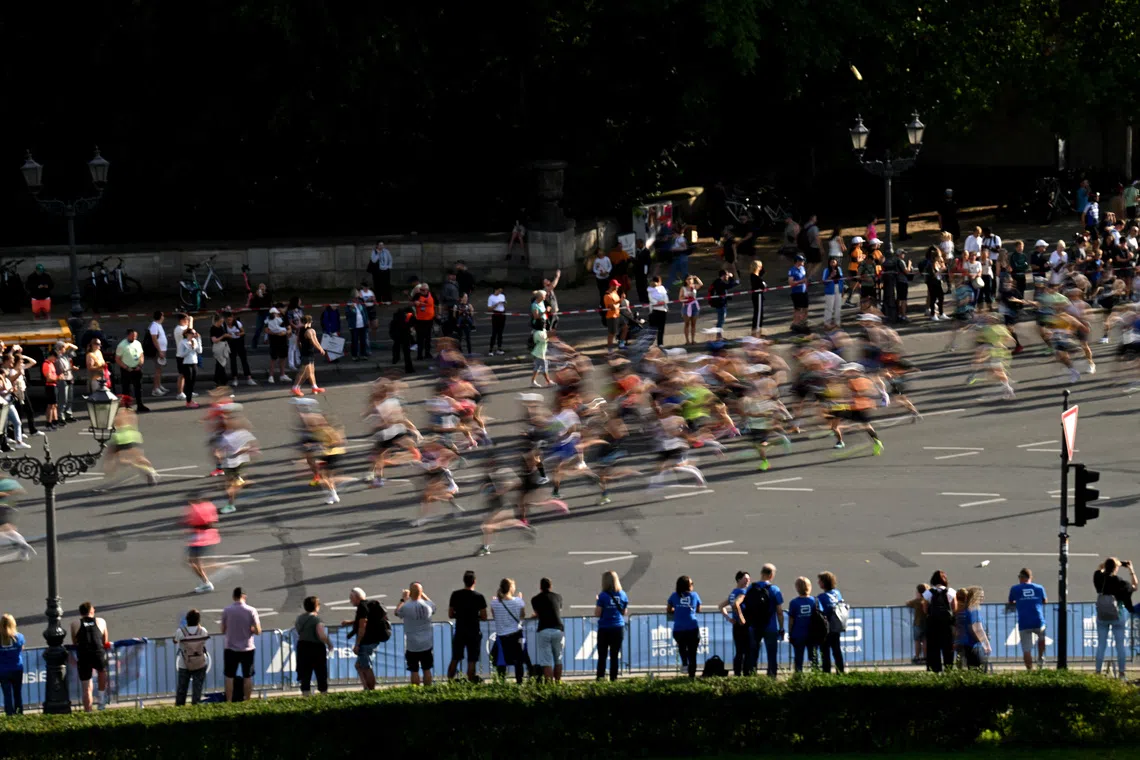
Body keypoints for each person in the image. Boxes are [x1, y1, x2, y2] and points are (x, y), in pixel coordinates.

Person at [1094, 557, 1137, 677]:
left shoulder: (1099, 578)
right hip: (1118, 614)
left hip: (1102, 615)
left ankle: (1097, 672)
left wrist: (1106, 564)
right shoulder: (1119, 581)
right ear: (1116, 568)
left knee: (1101, 644)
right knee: (1120, 645)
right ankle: (1122, 673)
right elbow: (1135, 586)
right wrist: (1130, 569)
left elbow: (1099, 569)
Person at [742, 563, 784, 678]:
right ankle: (771, 677)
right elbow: (779, 611)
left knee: (753, 653)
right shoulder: (774, 589)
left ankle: (751, 676)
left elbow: (746, 605)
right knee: (771, 654)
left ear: (761, 573)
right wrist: (781, 627)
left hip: (754, 626)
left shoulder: (751, 587)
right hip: (770, 626)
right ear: (771, 575)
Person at [342, 587, 388, 691]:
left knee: (366, 667)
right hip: (373, 640)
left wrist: (357, 644)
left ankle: (371, 691)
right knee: (359, 665)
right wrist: (350, 622)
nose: (350, 601)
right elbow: (364, 621)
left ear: (356, 597)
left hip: (366, 641)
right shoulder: (368, 605)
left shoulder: (362, 607)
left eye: (351, 598)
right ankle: (366, 688)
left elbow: (362, 626)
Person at [221, 587, 261, 702]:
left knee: (229, 676)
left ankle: (228, 701)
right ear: (244, 596)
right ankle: (247, 701)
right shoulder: (251, 610)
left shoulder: (227, 610)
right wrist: (251, 629)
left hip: (230, 648)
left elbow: (223, 630)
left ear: (234, 597)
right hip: (247, 648)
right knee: (247, 676)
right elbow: (258, 631)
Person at [447, 570, 488, 682]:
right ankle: (471, 681)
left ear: (464, 581)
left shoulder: (455, 595)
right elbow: (484, 616)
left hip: (460, 630)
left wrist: (459, 615)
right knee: (472, 660)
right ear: (474, 581)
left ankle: (449, 682)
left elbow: (450, 614)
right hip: (474, 631)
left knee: (455, 658)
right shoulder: (479, 597)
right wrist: (476, 616)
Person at [70, 601, 110, 712]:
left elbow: (74, 642)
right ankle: (101, 700)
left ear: (81, 612)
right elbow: (105, 640)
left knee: (86, 687)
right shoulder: (101, 621)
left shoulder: (75, 623)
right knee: (102, 672)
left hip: (84, 655)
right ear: (91, 611)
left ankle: (88, 712)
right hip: (98, 652)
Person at [395, 582, 436, 686]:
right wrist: (422, 594)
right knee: (427, 669)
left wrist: (403, 599)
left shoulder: (406, 606)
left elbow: (397, 612)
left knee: (414, 670)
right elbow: (433, 606)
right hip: (426, 643)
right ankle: (428, 690)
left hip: (412, 644)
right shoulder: (428, 605)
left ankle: (415, 691)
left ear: (410, 593)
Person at [1007, 568, 1047, 671]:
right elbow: (1044, 601)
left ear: (1021, 577)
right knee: (1042, 638)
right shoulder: (1039, 588)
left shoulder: (1015, 588)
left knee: (1026, 649)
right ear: (1030, 578)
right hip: (1038, 619)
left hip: (1024, 622)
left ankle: (1030, 672)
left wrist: (1021, 602)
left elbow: (1011, 601)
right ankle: (1040, 657)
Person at [489, 578, 527, 683]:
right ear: (510, 588)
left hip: (501, 636)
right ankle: (519, 681)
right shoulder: (519, 601)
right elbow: (522, 616)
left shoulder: (494, 603)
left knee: (501, 660)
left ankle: (502, 682)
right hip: (515, 635)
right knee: (518, 661)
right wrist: (520, 600)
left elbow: (494, 616)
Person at [294, 596, 333, 696]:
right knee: (320, 672)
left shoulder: (300, 618)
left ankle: (306, 693)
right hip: (316, 648)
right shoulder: (316, 619)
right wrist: (329, 644)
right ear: (316, 606)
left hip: (302, 646)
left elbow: (298, 630)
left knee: (305, 672)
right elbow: (321, 635)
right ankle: (323, 692)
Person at [594, 570, 628, 681]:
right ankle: (614, 678)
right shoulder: (623, 594)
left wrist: (597, 602)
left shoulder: (602, 596)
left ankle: (600, 678)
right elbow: (624, 612)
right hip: (618, 627)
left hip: (605, 628)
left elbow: (597, 613)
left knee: (602, 655)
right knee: (614, 655)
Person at [666, 575, 702, 678]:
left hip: (679, 629)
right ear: (688, 586)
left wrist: (677, 610)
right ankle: (692, 676)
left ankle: (685, 663)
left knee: (682, 646)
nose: (693, 585)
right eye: (691, 583)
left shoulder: (674, 596)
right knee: (692, 652)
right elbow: (699, 609)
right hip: (692, 627)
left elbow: (669, 609)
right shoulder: (694, 595)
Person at [173, 609, 210, 706]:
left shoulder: (181, 631)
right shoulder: (202, 630)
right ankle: (195, 708)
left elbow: (175, 641)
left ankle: (179, 709)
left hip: (184, 663)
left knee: (182, 689)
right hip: (200, 663)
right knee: (197, 690)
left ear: (187, 620)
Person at [531, 577, 564, 682]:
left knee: (546, 661)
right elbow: (558, 610)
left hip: (544, 629)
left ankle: (549, 686)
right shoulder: (558, 597)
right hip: (558, 629)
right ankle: (558, 682)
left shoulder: (535, 599)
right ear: (551, 586)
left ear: (540, 587)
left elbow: (537, 613)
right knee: (558, 659)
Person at [923, 570, 956, 673]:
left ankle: (935, 670)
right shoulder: (950, 592)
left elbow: (925, 608)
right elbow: (954, 608)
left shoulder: (928, 593)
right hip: (947, 625)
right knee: (948, 648)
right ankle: (949, 669)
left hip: (933, 625)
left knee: (933, 649)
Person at [719, 570, 751, 676]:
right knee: (746, 651)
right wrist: (742, 618)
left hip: (736, 625)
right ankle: (746, 673)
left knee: (739, 650)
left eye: (749, 579)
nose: (748, 581)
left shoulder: (733, 592)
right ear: (738, 579)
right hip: (743, 625)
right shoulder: (743, 592)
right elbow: (736, 604)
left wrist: (728, 618)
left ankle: (737, 673)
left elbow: (721, 606)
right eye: (745, 579)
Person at [185, 498, 219, 593]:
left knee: (192, 562)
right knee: (195, 562)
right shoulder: (208, 506)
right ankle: (205, 582)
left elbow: (197, 522)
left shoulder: (196, 509)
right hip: (205, 536)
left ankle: (206, 583)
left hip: (199, 538)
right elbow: (213, 520)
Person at [786, 576, 819, 673]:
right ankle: (817, 676)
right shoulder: (815, 601)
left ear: (797, 588)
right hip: (812, 634)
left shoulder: (794, 603)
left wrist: (790, 632)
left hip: (798, 634)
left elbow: (791, 620)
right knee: (813, 657)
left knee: (798, 658)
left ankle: (798, 677)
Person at [816, 571, 846, 673]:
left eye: (819, 580)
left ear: (824, 582)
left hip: (826, 629)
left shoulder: (821, 597)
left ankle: (826, 673)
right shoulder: (837, 593)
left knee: (825, 652)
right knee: (837, 651)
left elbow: (819, 612)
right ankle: (840, 672)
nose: (818, 582)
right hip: (836, 627)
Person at [115, 328, 150, 412]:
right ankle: (127, 406)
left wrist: (140, 364)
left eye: (135, 336)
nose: (134, 338)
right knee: (126, 388)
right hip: (127, 369)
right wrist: (126, 367)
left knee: (138, 387)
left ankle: (140, 404)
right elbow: (118, 359)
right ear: (128, 335)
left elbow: (141, 354)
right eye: (132, 336)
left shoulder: (137, 343)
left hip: (137, 368)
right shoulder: (122, 345)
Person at [291, 315, 326, 396]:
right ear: (310, 322)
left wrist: (301, 350)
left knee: (311, 372)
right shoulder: (310, 331)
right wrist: (320, 349)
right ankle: (295, 387)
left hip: (306, 352)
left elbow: (298, 342)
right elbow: (314, 341)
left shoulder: (301, 330)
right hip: (307, 353)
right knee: (303, 372)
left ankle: (314, 387)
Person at [958, 586, 991, 670]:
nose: (982, 599)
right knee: (979, 672)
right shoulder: (974, 610)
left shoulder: (965, 610)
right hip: (975, 646)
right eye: (981, 596)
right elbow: (978, 629)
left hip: (966, 646)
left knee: (972, 672)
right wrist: (986, 644)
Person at [0, 613, 24, 715]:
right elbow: (21, 649)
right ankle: (19, 713)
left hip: (3, 669)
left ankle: (9, 715)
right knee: (17, 693)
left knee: (7, 694)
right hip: (17, 668)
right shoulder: (19, 637)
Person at [178, 327, 203, 409]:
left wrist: (199, 340)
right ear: (187, 334)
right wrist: (189, 349)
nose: (194, 335)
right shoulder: (182, 342)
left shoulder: (194, 341)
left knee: (193, 382)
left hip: (194, 363)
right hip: (186, 364)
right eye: (192, 333)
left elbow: (200, 351)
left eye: (195, 333)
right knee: (188, 383)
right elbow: (181, 354)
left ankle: (190, 400)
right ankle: (188, 402)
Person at [264, 307, 291, 384]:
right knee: (273, 358)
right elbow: (266, 330)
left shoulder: (283, 318)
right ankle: (271, 376)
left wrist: (284, 333)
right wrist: (275, 333)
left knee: (283, 357)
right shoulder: (268, 319)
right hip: (273, 340)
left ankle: (282, 375)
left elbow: (289, 329)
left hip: (282, 340)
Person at [905, 584, 929, 664]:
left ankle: (917, 656)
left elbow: (907, 603)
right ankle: (926, 657)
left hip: (917, 623)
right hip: (926, 623)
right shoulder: (927, 601)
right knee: (925, 640)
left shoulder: (916, 601)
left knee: (917, 641)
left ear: (918, 592)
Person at [147, 311, 169, 396]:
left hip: (162, 349)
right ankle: (155, 389)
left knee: (160, 369)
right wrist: (159, 351)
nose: (163, 317)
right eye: (163, 316)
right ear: (160, 317)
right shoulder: (154, 325)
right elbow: (154, 339)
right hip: (158, 350)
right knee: (157, 369)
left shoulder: (158, 325)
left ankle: (159, 386)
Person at [412, 284, 436, 360]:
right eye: (421, 290)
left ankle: (427, 353)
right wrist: (415, 303)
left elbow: (438, 303)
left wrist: (438, 313)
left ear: (427, 290)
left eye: (423, 290)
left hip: (429, 320)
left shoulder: (432, 294)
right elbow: (411, 303)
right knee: (420, 338)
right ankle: (419, 355)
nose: (421, 291)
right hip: (420, 321)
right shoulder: (417, 295)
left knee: (428, 338)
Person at [788, 254, 810, 332]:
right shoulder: (792, 270)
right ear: (797, 261)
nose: (803, 262)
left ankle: (803, 323)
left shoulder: (803, 268)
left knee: (805, 308)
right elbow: (791, 283)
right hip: (797, 293)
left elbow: (805, 279)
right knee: (798, 309)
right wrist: (801, 281)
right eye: (802, 260)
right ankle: (795, 325)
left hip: (804, 292)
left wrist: (806, 286)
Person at [248, 283, 272, 350]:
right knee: (258, 329)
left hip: (267, 313)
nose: (261, 288)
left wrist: (261, 296)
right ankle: (254, 345)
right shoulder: (256, 296)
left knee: (270, 329)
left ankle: (272, 344)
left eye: (263, 286)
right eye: (260, 287)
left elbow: (268, 302)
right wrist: (256, 296)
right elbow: (253, 305)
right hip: (261, 314)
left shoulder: (268, 294)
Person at [821, 257, 844, 327]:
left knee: (838, 307)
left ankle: (837, 322)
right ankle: (827, 323)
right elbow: (824, 281)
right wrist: (831, 276)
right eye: (831, 262)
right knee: (829, 307)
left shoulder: (839, 269)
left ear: (836, 262)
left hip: (838, 289)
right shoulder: (827, 270)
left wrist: (842, 290)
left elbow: (842, 280)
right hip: (830, 290)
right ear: (829, 263)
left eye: (834, 262)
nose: (833, 264)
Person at [647, 276, 669, 346]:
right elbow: (652, 301)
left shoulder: (662, 288)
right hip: (654, 311)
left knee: (661, 328)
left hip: (663, 310)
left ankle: (660, 343)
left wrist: (662, 302)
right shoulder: (650, 290)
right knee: (653, 329)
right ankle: (650, 344)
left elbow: (666, 299)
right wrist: (659, 302)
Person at [487, 286, 507, 356]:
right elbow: (489, 309)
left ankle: (499, 348)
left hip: (502, 314)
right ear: (495, 290)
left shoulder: (502, 296)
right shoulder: (491, 297)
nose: (500, 292)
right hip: (496, 314)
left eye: (501, 291)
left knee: (500, 333)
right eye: (499, 291)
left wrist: (504, 303)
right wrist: (496, 304)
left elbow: (504, 305)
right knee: (494, 332)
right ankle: (491, 349)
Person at [749, 260, 767, 337]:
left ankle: (758, 331)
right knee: (758, 315)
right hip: (758, 296)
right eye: (760, 266)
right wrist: (764, 285)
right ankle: (755, 333)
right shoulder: (754, 277)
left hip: (759, 296)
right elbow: (763, 286)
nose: (761, 268)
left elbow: (763, 272)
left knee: (759, 314)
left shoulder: (757, 276)